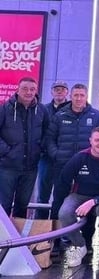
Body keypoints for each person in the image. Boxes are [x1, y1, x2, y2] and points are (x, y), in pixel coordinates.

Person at [57, 127, 99, 267]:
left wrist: (93, 202)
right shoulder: (80, 157)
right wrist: (61, 201)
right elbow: (63, 180)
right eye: (97, 140)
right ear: (90, 141)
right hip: (79, 194)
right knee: (64, 212)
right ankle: (80, 246)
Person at [46, 83, 99, 218]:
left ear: (86, 96)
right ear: (70, 96)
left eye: (82, 95)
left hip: (88, 166)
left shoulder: (97, 116)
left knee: (86, 201)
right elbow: (49, 139)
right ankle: (56, 236)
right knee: (59, 199)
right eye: (76, 95)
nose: (79, 98)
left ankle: (85, 237)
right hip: (63, 164)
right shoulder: (60, 115)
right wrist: (56, 155)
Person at [0, 77, 49, 218]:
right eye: (25, 89)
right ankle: (3, 238)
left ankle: (18, 238)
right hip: (7, 167)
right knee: (4, 205)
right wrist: (7, 152)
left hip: (30, 168)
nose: (29, 92)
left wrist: (40, 149)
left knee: (22, 205)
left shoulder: (42, 110)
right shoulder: (4, 109)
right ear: (17, 89)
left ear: (36, 91)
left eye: (32, 89)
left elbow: (47, 132)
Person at [38, 80, 69, 217]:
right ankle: (41, 227)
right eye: (56, 89)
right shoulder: (43, 109)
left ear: (67, 92)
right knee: (43, 194)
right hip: (46, 157)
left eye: (62, 89)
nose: (59, 91)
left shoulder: (71, 109)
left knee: (61, 194)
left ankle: (57, 229)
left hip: (63, 158)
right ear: (51, 92)